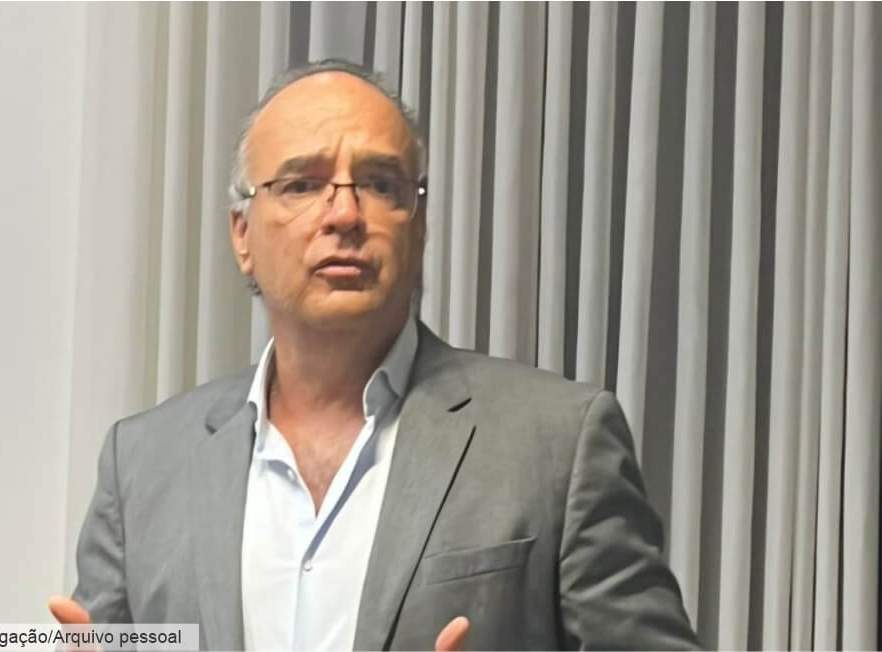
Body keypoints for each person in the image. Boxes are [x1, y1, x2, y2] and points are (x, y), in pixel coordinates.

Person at [48, 59, 701, 651]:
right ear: (242, 234)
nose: (344, 214)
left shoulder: (558, 442)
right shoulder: (142, 463)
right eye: (303, 184)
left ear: (419, 226)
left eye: (381, 183)